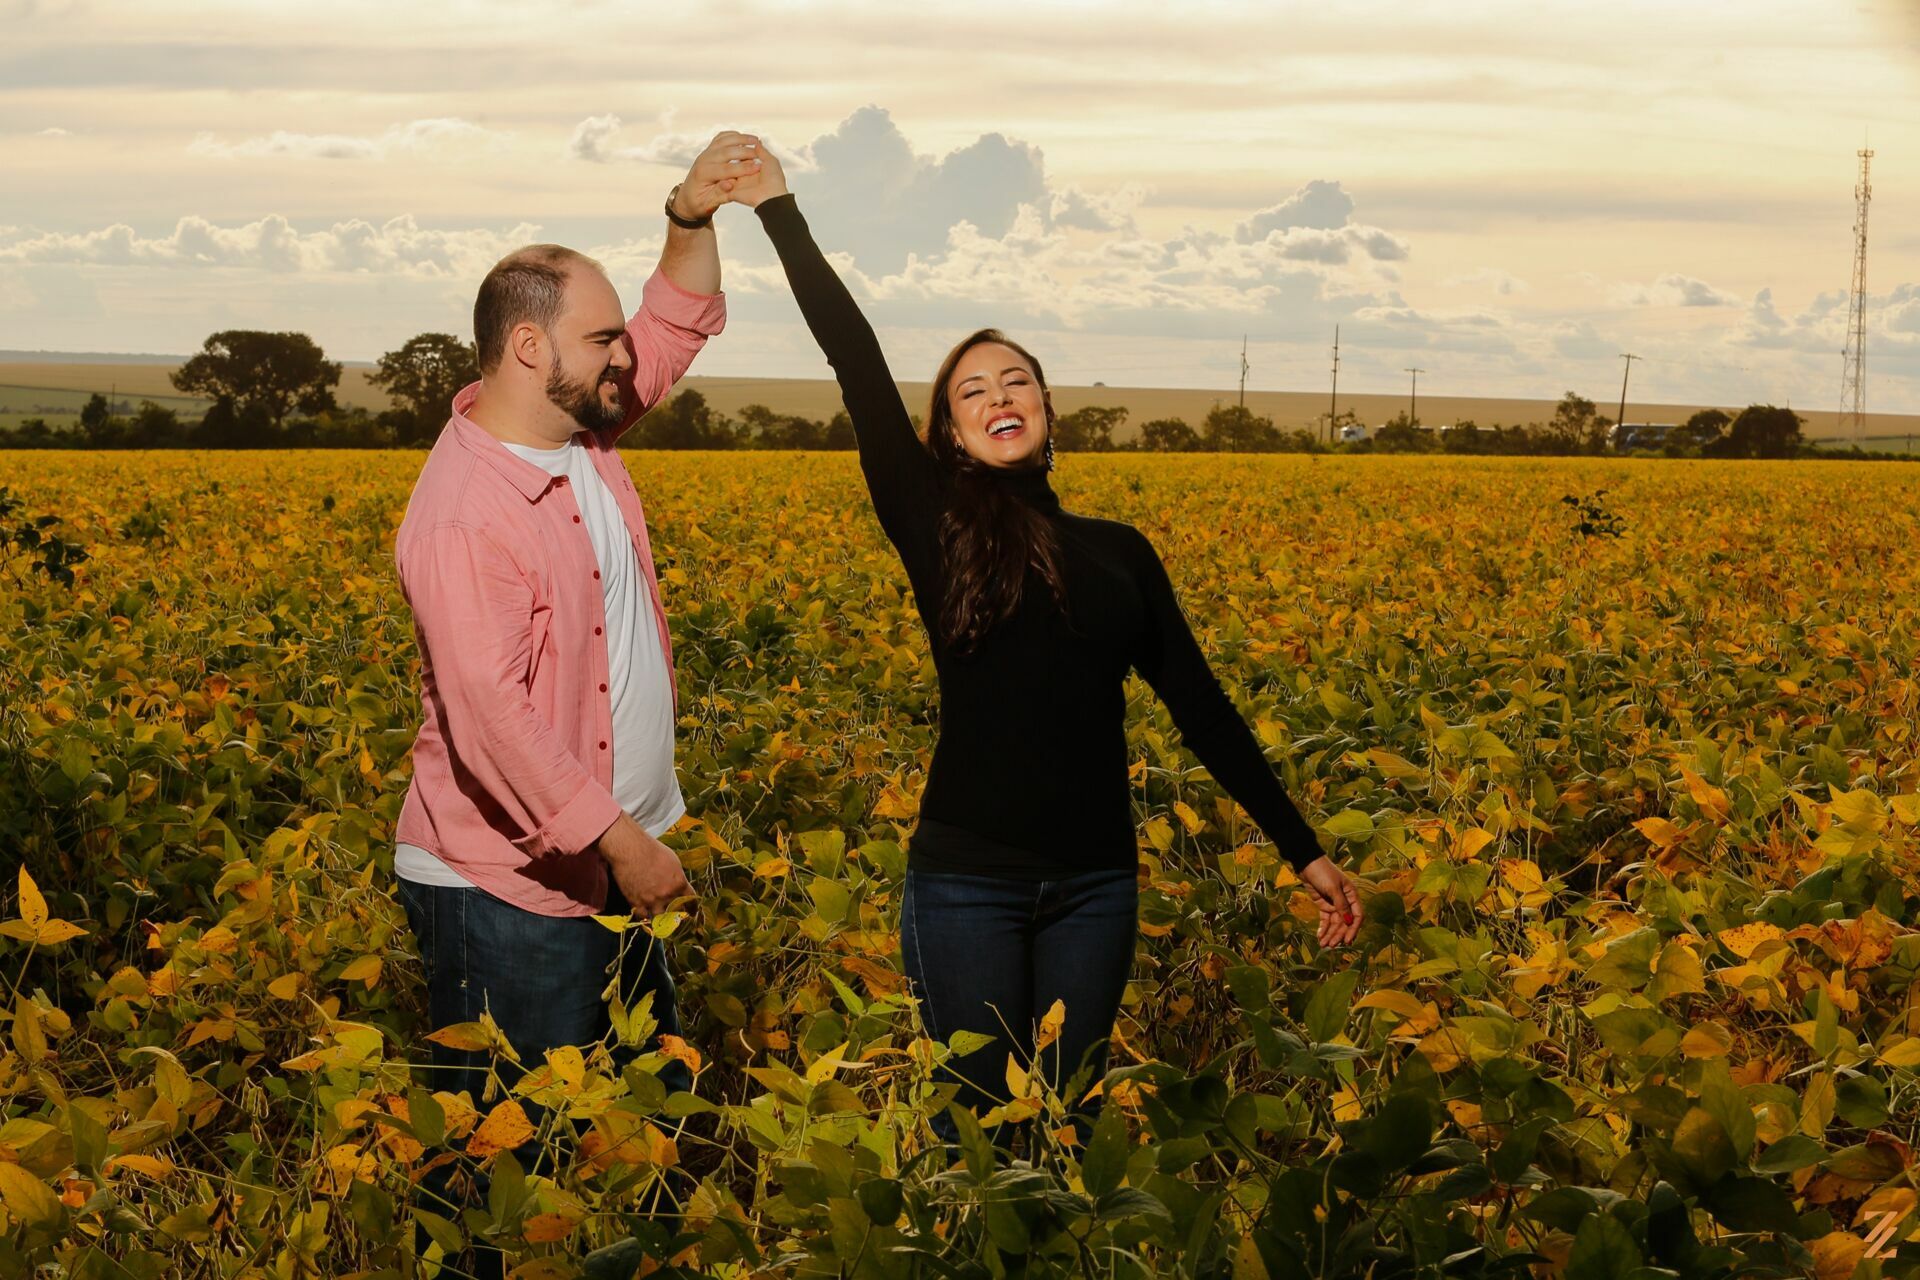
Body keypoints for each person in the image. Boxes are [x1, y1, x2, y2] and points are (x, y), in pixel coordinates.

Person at [727, 155, 1363, 1143]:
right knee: (982, 1141)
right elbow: (852, 352)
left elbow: (1203, 709)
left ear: (1048, 407)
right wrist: (778, 208)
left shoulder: (1120, 554)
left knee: (1064, 1131)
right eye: (971, 390)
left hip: (1096, 887)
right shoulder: (930, 517)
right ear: (948, 428)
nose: (997, 395)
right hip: (966, 883)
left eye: (1014, 378)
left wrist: (1303, 848)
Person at [390, 132, 761, 1260]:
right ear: (525, 343)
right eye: (598, 338)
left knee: (619, 1144)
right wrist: (623, 840)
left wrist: (690, 216)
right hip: (510, 890)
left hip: (605, 858)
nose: (622, 358)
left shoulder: (580, 434)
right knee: (512, 1178)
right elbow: (490, 718)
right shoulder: (466, 511)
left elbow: (670, 332)